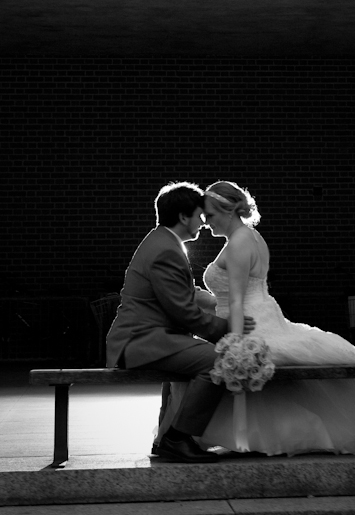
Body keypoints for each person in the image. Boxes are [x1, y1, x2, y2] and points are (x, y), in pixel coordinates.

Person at [189, 180, 355, 456]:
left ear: (228, 210)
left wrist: (235, 341)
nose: (206, 222)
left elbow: (237, 300)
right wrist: (201, 298)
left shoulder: (240, 242)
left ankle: (218, 434)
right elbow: (232, 295)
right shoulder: (249, 237)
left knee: (205, 364)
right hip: (259, 316)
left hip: (251, 326)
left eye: (210, 215)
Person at [106, 181, 249, 463]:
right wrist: (229, 330)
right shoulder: (166, 250)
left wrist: (218, 304)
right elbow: (184, 313)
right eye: (199, 215)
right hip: (141, 340)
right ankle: (177, 438)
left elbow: (185, 294)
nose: (204, 222)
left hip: (151, 337)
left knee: (205, 356)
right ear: (184, 217)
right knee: (219, 361)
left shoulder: (164, 242)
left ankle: (166, 437)